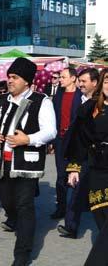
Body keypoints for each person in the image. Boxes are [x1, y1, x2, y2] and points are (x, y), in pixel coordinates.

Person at [0, 58, 56, 266]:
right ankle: (13, 219)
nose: (10, 81)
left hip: (26, 163)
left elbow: (50, 130)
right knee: (7, 201)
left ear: (27, 82)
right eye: (9, 77)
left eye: (15, 77)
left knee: (25, 205)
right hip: (1, 162)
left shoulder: (42, 101)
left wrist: (28, 139)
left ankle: (22, 253)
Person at [66, 69, 108, 265]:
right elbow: (79, 140)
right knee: (101, 221)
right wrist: (74, 168)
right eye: (107, 81)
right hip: (98, 171)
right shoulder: (90, 108)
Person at [51, 68, 82, 229]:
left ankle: (73, 215)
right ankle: (60, 207)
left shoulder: (80, 96)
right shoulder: (58, 96)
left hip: (76, 142)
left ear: (72, 78)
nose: (59, 79)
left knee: (74, 177)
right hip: (60, 141)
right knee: (60, 176)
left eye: (63, 77)